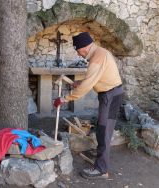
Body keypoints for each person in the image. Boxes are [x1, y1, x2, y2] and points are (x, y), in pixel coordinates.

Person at [54, 32, 123, 179]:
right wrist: (80, 83)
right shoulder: (99, 53)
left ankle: (101, 169)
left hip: (111, 96)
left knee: (104, 130)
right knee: (102, 128)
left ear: (84, 47)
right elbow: (95, 77)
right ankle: (101, 156)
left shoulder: (97, 58)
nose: (79, 54)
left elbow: (87, 86)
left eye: (78, 51)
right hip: (111, 94)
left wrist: (65, 99)